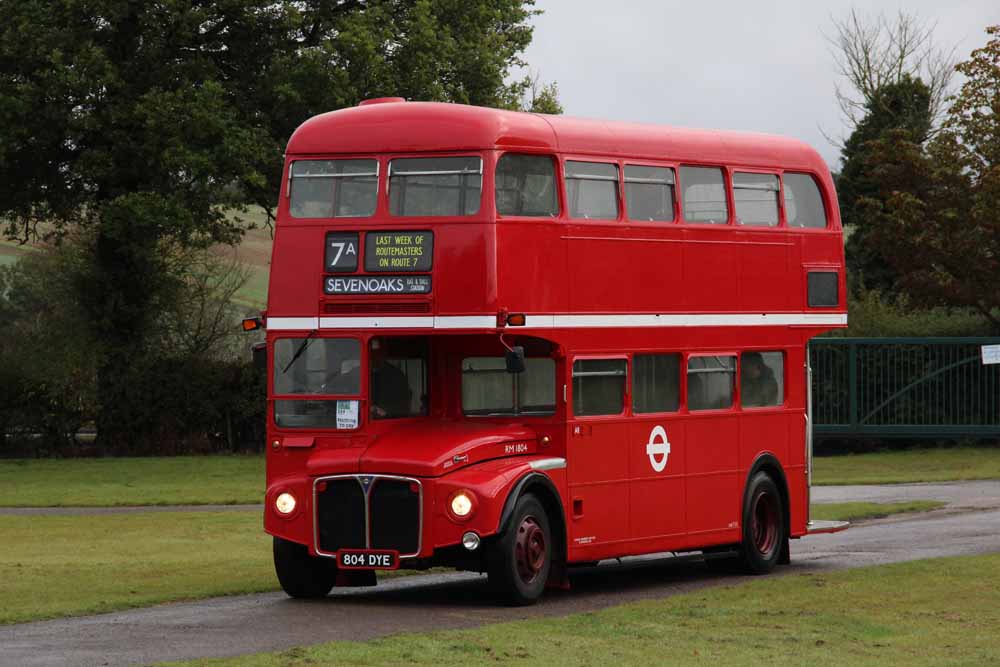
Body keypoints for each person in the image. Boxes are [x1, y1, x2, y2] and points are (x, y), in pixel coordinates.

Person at [369, 338, 412, 418]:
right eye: (371, 353)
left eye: (377, 353)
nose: (374, 357)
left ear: (384, 353)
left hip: (389, 422)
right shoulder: (356, 375)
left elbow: (405, 404)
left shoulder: (397, 376)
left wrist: (386, 411)